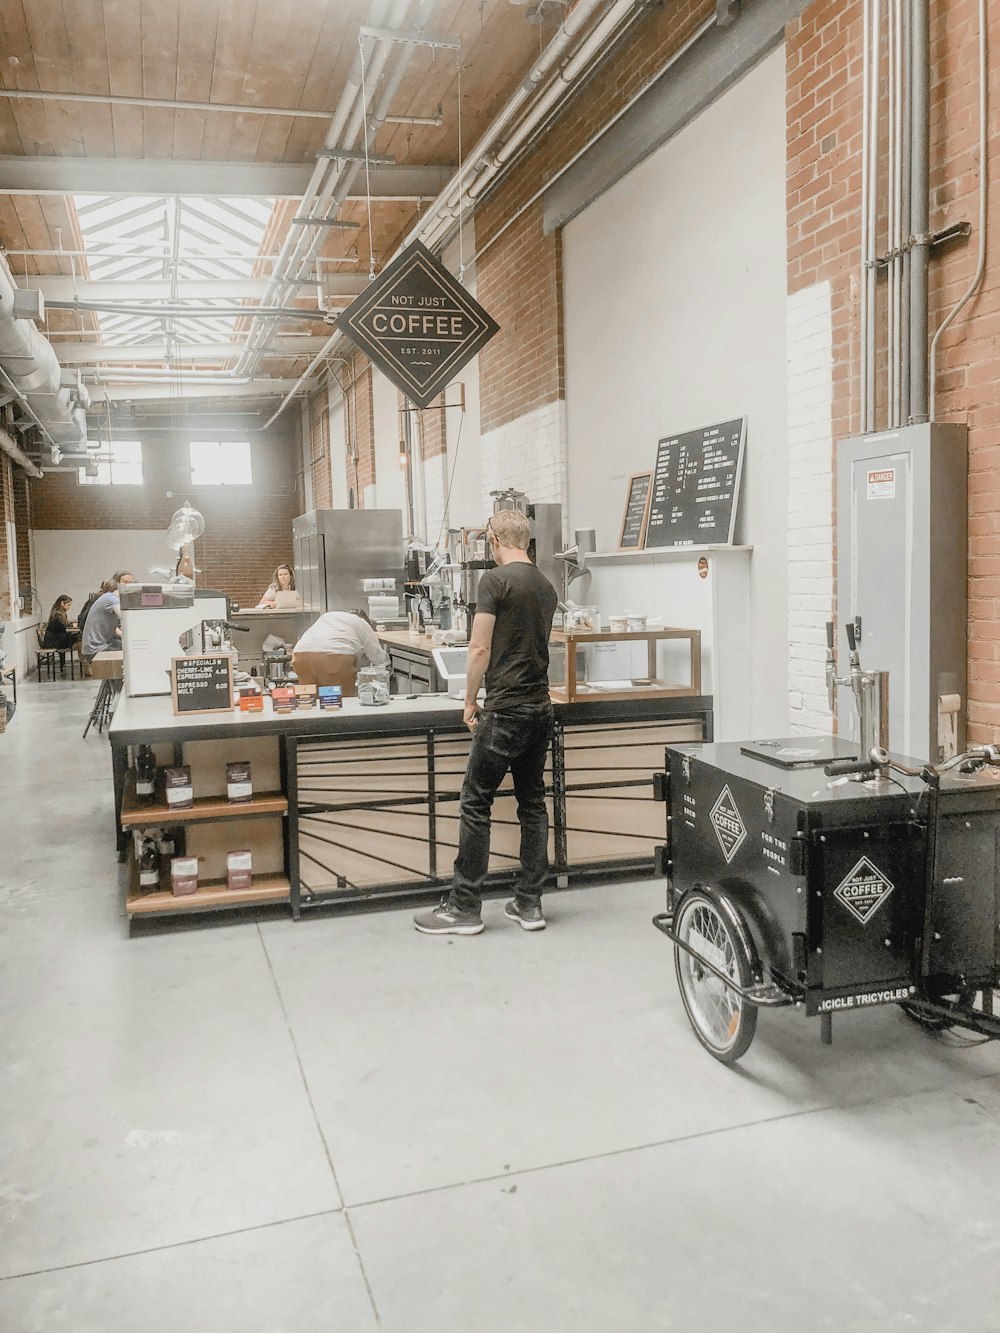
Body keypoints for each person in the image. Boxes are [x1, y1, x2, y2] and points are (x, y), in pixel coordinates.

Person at [413, 509, 558, 937]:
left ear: (494, 539)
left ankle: (464, 907)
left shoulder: (494, 581)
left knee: (476, 802)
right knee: (532, 803)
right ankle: (529, 904)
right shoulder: (547, 586)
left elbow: (478, 648)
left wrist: (470, 702)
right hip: (540, 708)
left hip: (505, 711)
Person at [291, 608, 388, 692]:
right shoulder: (362, 623)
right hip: (335, 658)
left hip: (300, 656)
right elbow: (378, 657)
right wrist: (387, 668)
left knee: (311, 701)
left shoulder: (328, 616)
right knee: (341, 703)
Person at [81, 579, 123, 662]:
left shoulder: (106, 598)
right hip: (97, 649)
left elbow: (113, 629)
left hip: (91, 647)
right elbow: (124, 617)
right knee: (132, 654)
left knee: (124, 645)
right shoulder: (112, 598)